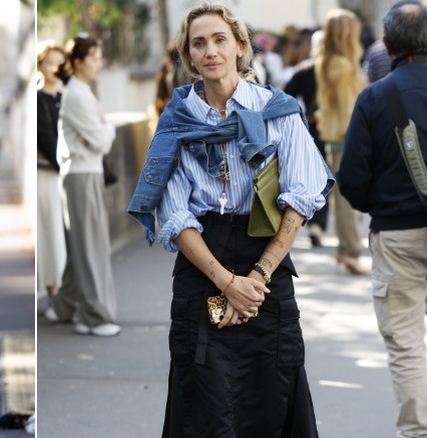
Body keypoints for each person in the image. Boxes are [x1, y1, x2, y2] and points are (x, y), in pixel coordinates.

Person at [127, 2, 333, 436]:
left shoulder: (277, 110)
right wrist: (228, 283)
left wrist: (256, 277)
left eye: (220, 40)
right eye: (198, 44)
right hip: (204, 261)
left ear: (240, 47)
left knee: (272, 395)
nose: (210, 51)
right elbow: (174, 213)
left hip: (266, 263)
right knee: (203, 401)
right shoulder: (177, 121)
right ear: (189, 56)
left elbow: (301, 197)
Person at [337, 1, 427, 436]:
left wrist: (386, 207)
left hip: (397, 236)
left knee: (406, 344)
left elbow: (351, 179)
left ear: (388, 46)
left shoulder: (375, 97)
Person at [44, 35, 120, 337]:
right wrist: (108, 127)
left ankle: (63, 307)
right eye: (94, 58)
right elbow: (101, 140)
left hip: (84, 173)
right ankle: (94, 316)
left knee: (82, 246)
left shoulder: (81, 92)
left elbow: (98, 138)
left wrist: (102, 129)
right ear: (77, 63)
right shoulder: (77, 95)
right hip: (82, 174)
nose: (99, 63)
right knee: (91, 247)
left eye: (100, 58)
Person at [315, 8, 368, 275]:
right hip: (346, 137)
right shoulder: (343, 66)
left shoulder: (327, 60)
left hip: (334, 136)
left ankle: (347, 250)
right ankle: (349, 251)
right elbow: (351, 108)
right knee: (348, 200)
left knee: (342, 200)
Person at [284, 29, 330, 247]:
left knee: (317, 178)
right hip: (337, 129)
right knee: (332, 179)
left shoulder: (304, 70)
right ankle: (320, 224)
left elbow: (284, 96)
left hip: (312, 128)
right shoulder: (339, 68)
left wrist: (299, 118)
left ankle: (316, 223)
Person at [36, 40, 67, 301]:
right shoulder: (38, 98)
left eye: (61, 62)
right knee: (50, 232)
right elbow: (45, 139)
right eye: (50, 62)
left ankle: (64, 290)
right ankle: (52, 289)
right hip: (46, 174)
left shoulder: (70, 96)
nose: (56, 67)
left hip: (70, 174)